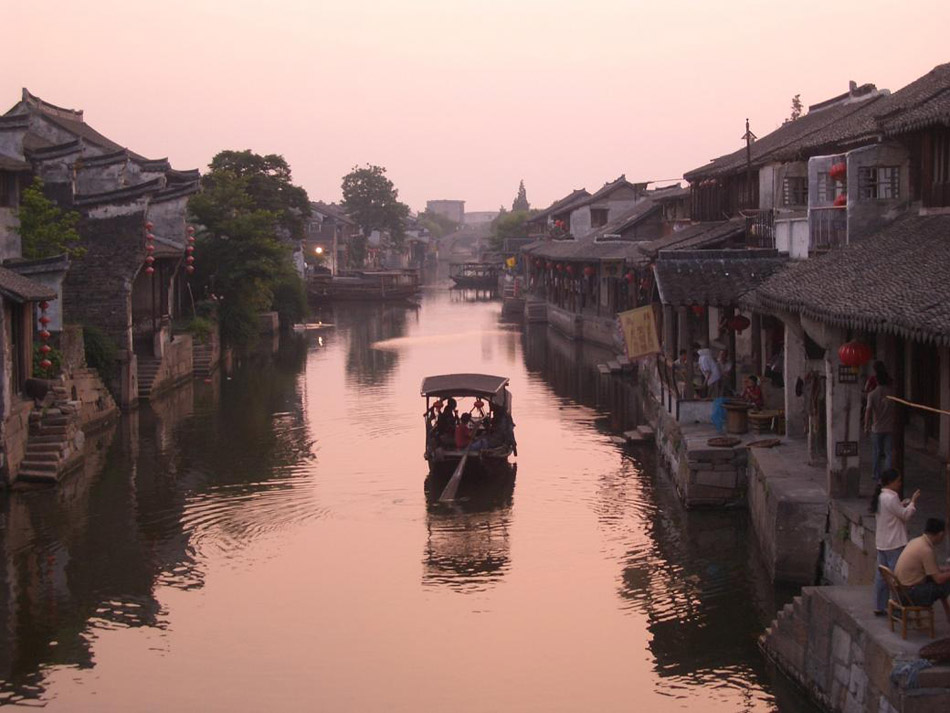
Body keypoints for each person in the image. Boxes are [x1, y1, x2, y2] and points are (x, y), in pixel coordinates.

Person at [870, 469, 919, 615]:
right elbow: (905, 515)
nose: (899, 484)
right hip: (894, 543)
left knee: (882, 577)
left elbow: (893, 512)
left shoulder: (881, 496)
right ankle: (898, 608)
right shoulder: (891, 498)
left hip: (882, 542)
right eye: (897, 481)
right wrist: (913, 502)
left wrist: (903, 504)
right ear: (891, 482)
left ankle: (879, 605)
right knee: (897, 577)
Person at [894, 518, 950, 623]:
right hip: (911, 594)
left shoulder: (916, 541)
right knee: (946, 586)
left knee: (943, 584)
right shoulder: (926, 550)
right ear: (941, 534)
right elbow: (938, 579)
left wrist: (945, 569)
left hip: (901, 590)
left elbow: (929, 570)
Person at [864, 361, 895, 483]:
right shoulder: (891, 393)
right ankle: (888, 476)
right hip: (889, 427)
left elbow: (868, 411)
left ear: (876, 381)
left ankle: (876, 475)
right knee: (888, 453)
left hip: (877, 428)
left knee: (877, 452)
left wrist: (866, 427)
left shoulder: (872, 395)